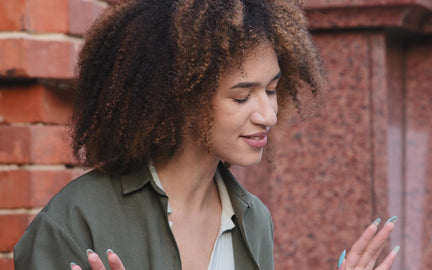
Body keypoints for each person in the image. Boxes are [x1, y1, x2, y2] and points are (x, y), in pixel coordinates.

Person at [14, 0, 398, 269]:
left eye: (271, 90)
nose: (267, 114)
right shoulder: (74, 221)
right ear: (180, 99)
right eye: (241, 96)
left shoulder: (253, 220)